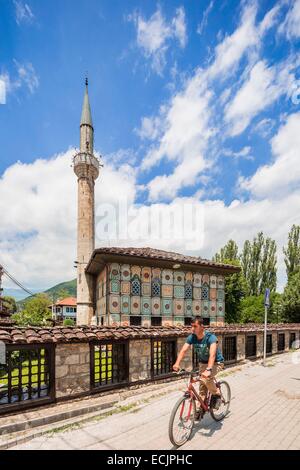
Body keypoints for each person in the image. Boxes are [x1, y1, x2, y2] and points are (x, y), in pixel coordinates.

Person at [173, 316, 224, 411]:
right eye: (191, 326)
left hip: (216, 363)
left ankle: (216, 394)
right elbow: (183, 350)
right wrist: (177, 363)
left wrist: (209, 370)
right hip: (202, 363)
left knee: (206, 379)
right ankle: (201, 408)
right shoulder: (192, 337)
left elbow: (212, 355)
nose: (192, 328)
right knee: (202, 387)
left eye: (195, 326)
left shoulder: (211, 338)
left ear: (202, 326)